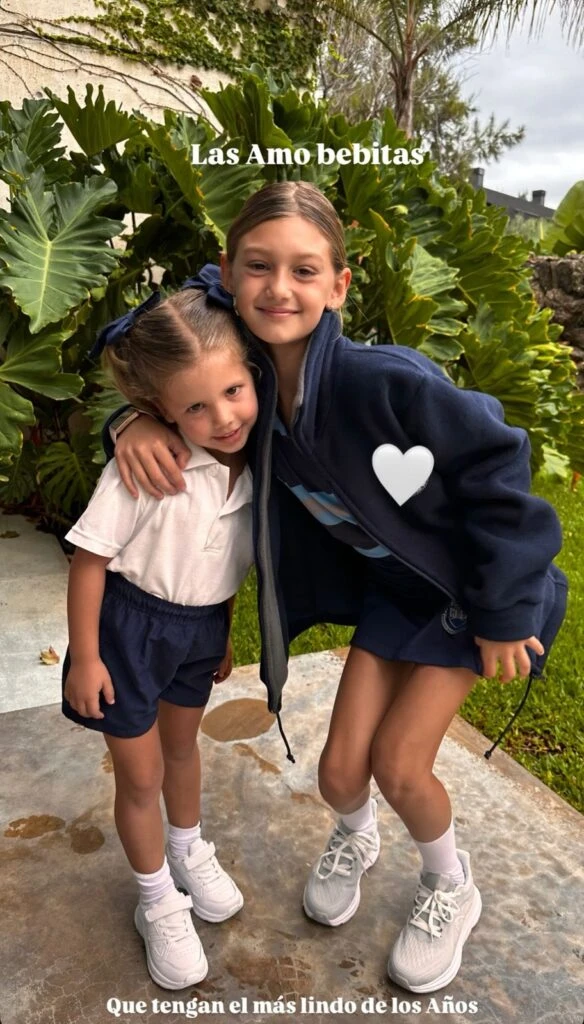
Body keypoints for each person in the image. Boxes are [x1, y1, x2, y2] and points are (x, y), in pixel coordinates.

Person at [103, 181, 568, 994]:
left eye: (304, 271)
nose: (279, 288)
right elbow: (144, 336)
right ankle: (356, 836)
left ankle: (451, 885)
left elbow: (502, 465)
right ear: (227, 273)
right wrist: (137, 415)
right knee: (339, 776)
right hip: (398, 598)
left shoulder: (385, 380)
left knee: (398, 763)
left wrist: (505, 610)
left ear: (339, 286)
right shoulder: (239, 386)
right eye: (258, 267)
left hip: (469, 598)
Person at [63, 287, 258, 989]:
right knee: (141, 774)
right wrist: (85, 656)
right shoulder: (148, 466)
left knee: (182, 751)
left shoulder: (257, 465)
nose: (223, 417)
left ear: (251, 374)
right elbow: (90, 562)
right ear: (161, 411)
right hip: (129, 630)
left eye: (233, 390)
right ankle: (156, 900)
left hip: (200, 631)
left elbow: (226, 560)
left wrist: (225, 629)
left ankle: (186, 848)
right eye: (196, 407)